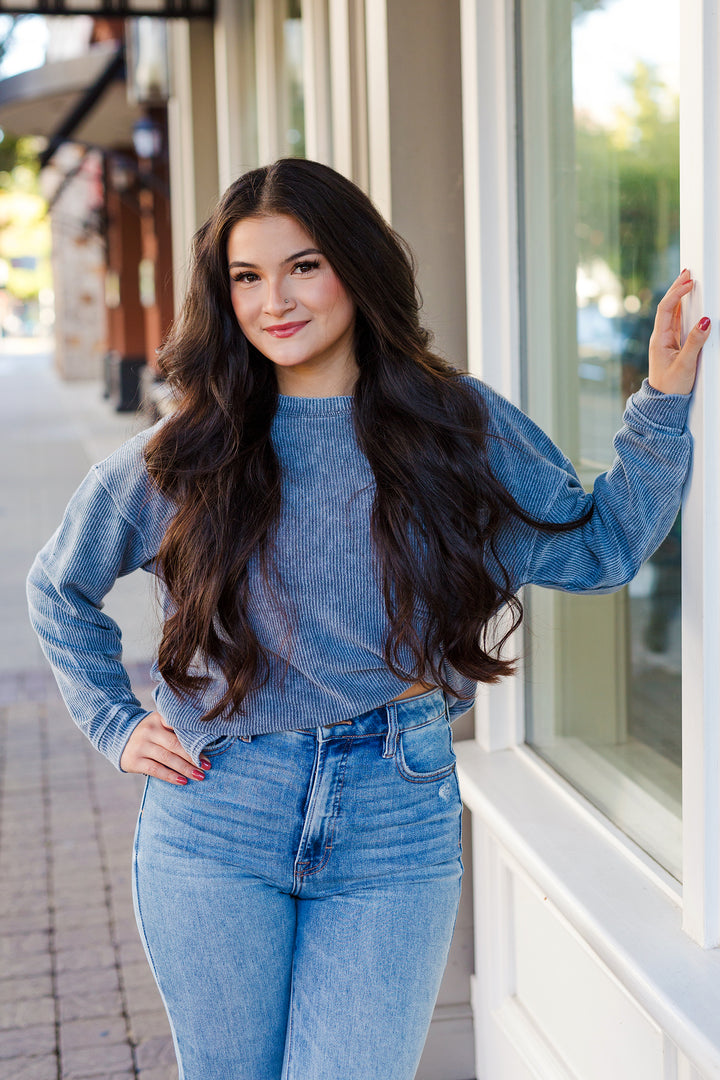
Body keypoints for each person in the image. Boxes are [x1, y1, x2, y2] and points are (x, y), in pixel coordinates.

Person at [27, 158, 710, 1080]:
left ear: (355, 265)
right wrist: (114, 721)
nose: (276, 299)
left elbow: (600, 549)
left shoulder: (456, 425)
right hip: (218, 810)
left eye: (304, 266)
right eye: (247, 276)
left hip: (395, 811)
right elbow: (58, 587)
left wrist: (662, 405)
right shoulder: (190, 449)